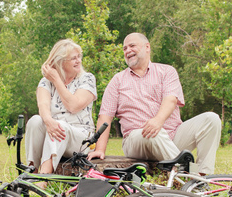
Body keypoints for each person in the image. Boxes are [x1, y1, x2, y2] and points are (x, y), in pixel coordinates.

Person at [88, 33, 221, 174]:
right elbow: (105, 117)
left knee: (211, 119)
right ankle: (190, 177)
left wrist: (158, 121)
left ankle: (204, 176)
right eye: (125, 48)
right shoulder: (118, 80)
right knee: (152, 133)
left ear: (147, 47)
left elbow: (171, 100)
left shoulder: (167, 71)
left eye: (132, 46)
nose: (127, 51)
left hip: (172, 136)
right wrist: (100, 149)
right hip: (137, 140)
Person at [25, 39, 97, 179]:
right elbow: (43, 105)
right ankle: (31, 174)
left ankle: (44, 178)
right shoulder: (46, 81)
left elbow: (73, 106)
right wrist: (48, 121)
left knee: (60, 126)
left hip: (81, 139)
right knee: (35, 121)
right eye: (73, 58)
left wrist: (57, 80)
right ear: (61, 62)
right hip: (55, 134)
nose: (79, 61)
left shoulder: (87, 79)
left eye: (79, 56)